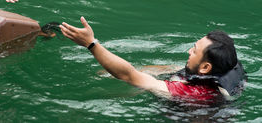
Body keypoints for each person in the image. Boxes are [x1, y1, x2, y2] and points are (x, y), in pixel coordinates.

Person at [60, 17, 246, 101]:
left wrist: (91, 44)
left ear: (205, 67)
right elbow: (172, 69)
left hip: (184, 112)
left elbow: (129, 76)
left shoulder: (189, 94)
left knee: (131, 89)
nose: (189, 51)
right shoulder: (226, 70)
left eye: (194, 50)